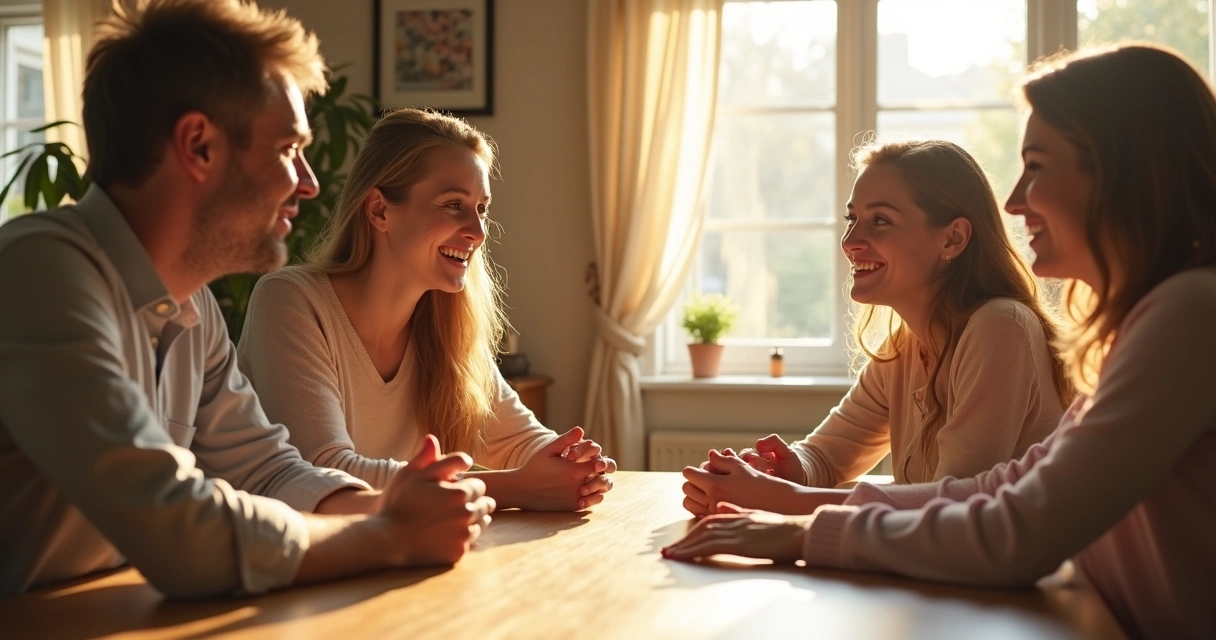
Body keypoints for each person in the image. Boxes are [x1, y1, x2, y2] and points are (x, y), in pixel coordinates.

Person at [662, 43, 1216, 639]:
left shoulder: (1186, 314)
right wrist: (785, 486)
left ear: (1121, 171)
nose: (1015, 200)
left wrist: (798, 525)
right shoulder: (1147, 322)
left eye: (1036, 166)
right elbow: (1007, 488)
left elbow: (1015, 530)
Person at [0, 0, 494, 600]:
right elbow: (175, 524)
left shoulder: (192, 304)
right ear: (199, 145)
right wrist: (389, 536)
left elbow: (267, 470)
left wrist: (395, 505)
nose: (308, 183)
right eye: (288, 148)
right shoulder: (37, 271)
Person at [237, 108, 616, 512]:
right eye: (454, 204)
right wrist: (517, 489)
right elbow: (323, 473)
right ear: (380, 210)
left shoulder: (447, 325)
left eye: (481, 208)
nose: (478, 230)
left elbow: (520, 441)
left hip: (397, 559)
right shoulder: (288, 301)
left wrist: (573, 463)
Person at [682, 139, 1072, 517]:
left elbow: (951, 507)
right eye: (853, 219)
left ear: (953, 238)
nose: (850, 241)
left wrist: (782, 498)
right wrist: (779, 469)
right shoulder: (904, 345)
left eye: (880, 221)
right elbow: (825, 456)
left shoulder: (1000, 328)